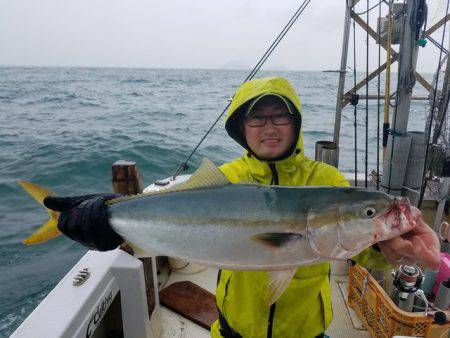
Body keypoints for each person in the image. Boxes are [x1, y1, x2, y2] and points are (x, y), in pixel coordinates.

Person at [44, 76, 441, 338]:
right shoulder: (227, 176)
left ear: (296, 122)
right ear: (242, 127)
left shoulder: (328, 183)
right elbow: (165, 215)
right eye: (257, 118)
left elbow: (361, 248)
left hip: (305, 330)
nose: (269, 127)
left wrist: (389, 247)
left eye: (280, 115)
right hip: (233, 327)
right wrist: (111, 213)